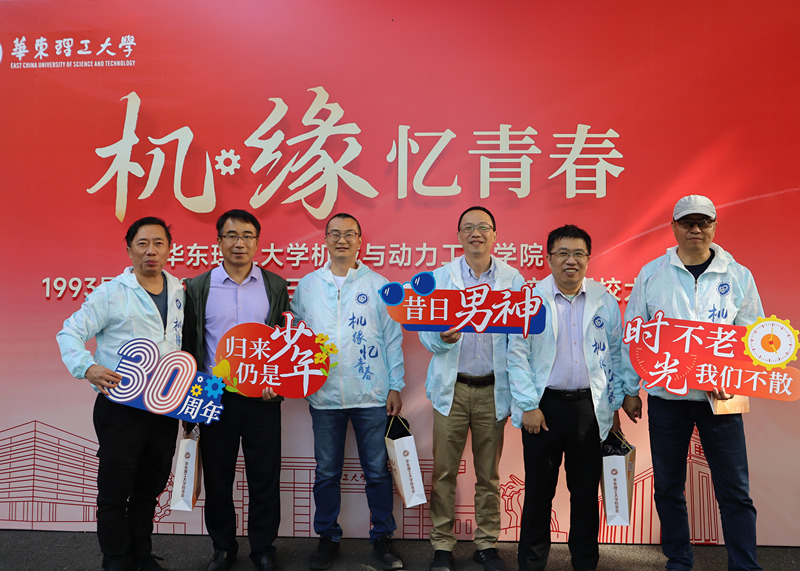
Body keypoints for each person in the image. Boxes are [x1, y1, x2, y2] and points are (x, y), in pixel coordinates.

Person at [621, 195, 763, 571]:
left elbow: (752, 338)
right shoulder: (652, 274)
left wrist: (733, 378)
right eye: (687, 222)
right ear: (673, 227)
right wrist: (630, 389)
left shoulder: (738, 275)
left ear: (714, 226)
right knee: (668, 486)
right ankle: (679, 560)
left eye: (703, 222)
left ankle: (745, 565)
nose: (696, 229)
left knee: (735, 490)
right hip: (667, 398)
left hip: (722, 399)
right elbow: (635, 334)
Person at [56, 217, 183, 571]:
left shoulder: (178, 290)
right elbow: (69, 332)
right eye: (142, 243)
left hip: (164, 406)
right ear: (129, 250)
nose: (151, 251)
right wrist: (87, 367)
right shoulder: (111, 293)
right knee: (115, 489)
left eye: (158, 243)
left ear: (169, 249)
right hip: (121, 407)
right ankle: (115, 559)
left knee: (150, 487)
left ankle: (141, 555)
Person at [290, 212, 405, 571]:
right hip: (324, 396)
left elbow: (392, 339)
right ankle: (328, 537)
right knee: (327, 471)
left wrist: (395, 385)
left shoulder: (378, 284)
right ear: (325, 239)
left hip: (371, 394)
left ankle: (383, 536)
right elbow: (294, 337)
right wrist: (296, 378)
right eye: (335, 234)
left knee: (377, 471)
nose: (342, 240)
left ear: (359, 241)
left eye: (349, 234)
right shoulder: (308, 286)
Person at [507, 225, 624, 571]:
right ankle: (531, 564)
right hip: (543, 408)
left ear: (588, 258)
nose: (570, 261)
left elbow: (616, 353)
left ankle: (585, 563)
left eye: (578, 254)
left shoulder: (604, 299)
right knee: (538, 493)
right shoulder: (529, 300)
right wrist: (528, 405)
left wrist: (615, 402)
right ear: (549, 258)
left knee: (586, 494)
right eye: (562, 253)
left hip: (589, 409)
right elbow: (516, 356)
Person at [182, 209, 289, 571]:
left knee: (264, 475)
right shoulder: (199, 287)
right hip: (214, 394)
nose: (239, 243)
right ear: (219, 241)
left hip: (262, 396)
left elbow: (284, 340)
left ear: (258, 242)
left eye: (247, 236)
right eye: (231, 235)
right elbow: (190, 343)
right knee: (217, 475)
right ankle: (223, 547)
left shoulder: (275, 285)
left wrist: (278, 382)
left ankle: (263, 547)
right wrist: (190, 397)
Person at [419, 206, 524, 571]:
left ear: (495, 234)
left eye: (483, 227)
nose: (476, 233)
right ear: (459, 235)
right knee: (444, 472)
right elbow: (426, 334)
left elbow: (519, 341)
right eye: (468, 228)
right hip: (453, 390)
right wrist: (442, 338)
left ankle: (486, 543)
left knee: (488, 475)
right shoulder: (441, 278)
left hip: (492, 390)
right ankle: (442, 545)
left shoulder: (512, 280)